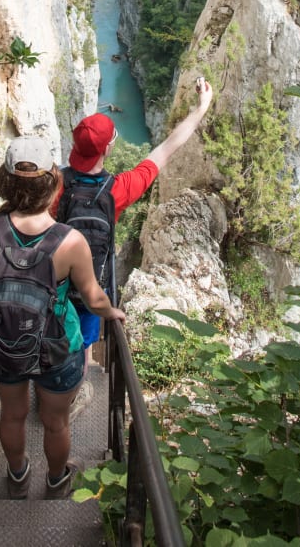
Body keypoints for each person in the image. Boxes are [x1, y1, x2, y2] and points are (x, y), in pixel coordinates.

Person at [0, 137, 125, 500]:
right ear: (55, 182)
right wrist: (112, 312)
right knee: (55, 422)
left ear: (7, 182)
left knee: (12, 416)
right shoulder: (70, 241)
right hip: (57, 347)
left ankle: (17, 477)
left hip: (3, 344)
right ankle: (57, 481)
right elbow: (92, 298)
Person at [54, 77, 213, 416]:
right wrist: (201, 109)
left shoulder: (54, 184)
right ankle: (72, 395)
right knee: (83, 344)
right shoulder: (117, 190)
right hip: (92, 287)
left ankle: (49, 384)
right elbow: (166, 149)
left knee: (53, 330)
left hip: (53, 283)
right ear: (108, 149)